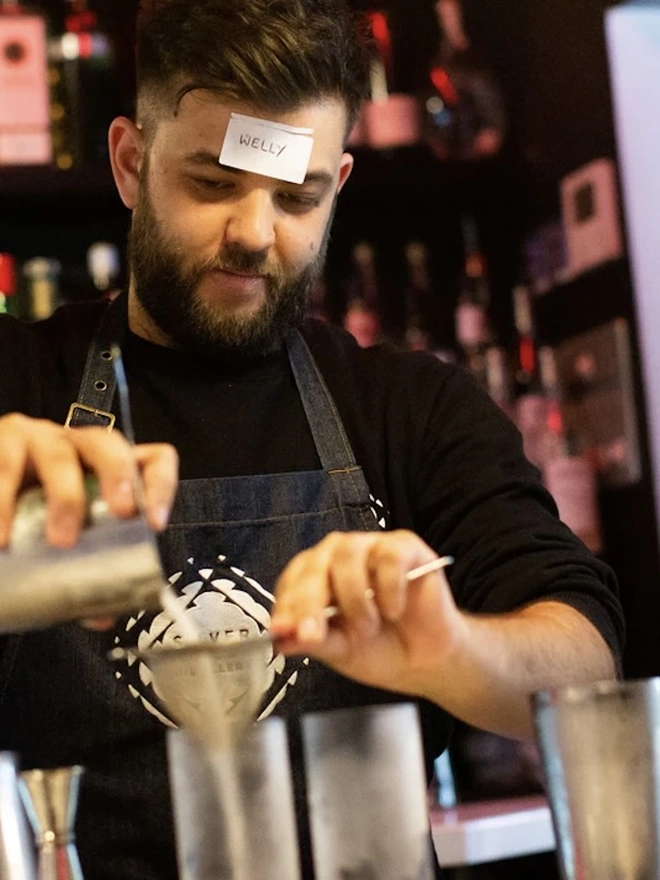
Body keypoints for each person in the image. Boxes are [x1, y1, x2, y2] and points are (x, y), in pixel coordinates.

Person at [0, 0, 622, 878]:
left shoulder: (412, 410)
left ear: (341, 185)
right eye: (214, 183)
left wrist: (455, 649)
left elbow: (586, 659)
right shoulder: (17, 388)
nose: (255, 234)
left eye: (297, 198)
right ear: (131, 164)